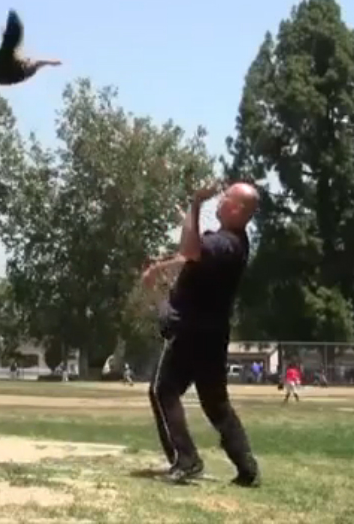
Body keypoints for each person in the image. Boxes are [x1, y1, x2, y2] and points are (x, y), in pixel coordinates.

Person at [141, 182, 261, 487]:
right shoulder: (233, 244)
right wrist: (162, 265)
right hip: (212, 334)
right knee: (215, 402)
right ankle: (246, 467)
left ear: (237, 208)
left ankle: (186, 459)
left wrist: (196, 203)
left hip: (190, 330)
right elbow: (190, 255)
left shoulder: (227, 243)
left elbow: (190, 250)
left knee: (163, 390)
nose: (219, 200)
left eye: (225, 197)